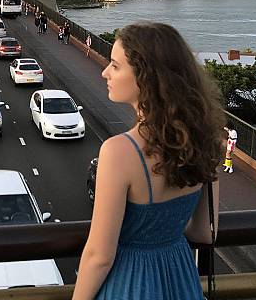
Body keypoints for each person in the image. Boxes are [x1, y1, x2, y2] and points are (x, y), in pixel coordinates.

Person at [72, 22, 224, 300]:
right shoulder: (207, 141)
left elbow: (99, 256)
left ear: (147, 78)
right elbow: (204, 232)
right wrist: (164, 227)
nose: (105, 72)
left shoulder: (119, 151)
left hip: (130, 283)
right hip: (179, 278)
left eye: (116, 66)